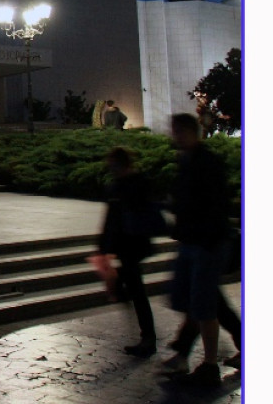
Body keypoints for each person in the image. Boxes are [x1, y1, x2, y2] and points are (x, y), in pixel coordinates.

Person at [163, 113, 234, 387]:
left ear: (193, 132)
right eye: (175, 132)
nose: (176, 137)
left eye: (180, 132)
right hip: (193, 241)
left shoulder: (207, 162)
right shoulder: (186, 161)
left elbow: (215, 204)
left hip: (207, 243)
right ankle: (185, 354)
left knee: (204, 305)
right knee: (194, 300)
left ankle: (209, 364)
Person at [96, 147, 160, 356]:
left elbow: (141, 214)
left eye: (113, 164)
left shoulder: (137, 183)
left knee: (136, 290)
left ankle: (148, 338)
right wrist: (103, 246)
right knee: (133, 289)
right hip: (125, 245)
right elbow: (111, 218)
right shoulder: (117, 186)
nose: (110, 168)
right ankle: (147, 336)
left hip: (134, 244)